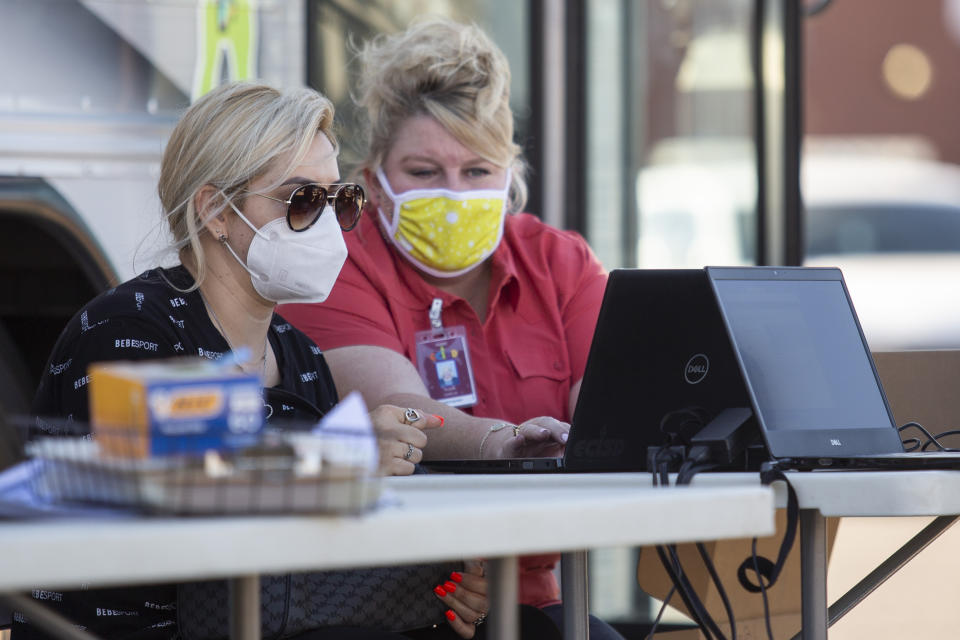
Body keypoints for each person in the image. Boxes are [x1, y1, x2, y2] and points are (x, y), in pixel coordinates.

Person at [16, 82, 489, 640]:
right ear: (214, 210)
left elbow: (308, 562)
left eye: (340, 201)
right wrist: (340, 462)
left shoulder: (300, 354)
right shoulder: (129, 330)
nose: (328, 225)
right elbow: (171, 491)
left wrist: (440, 584)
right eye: (302, 200)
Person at [279, 18, 623, 640]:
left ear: (510, 174)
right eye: (424, 172)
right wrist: (502, 442)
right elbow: (396, 405)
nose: (455, 195)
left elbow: (610, 412)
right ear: (376, 179)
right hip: (380, 597)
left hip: (531, 601)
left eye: (477, 171)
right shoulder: (337, 257)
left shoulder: (561, 263)